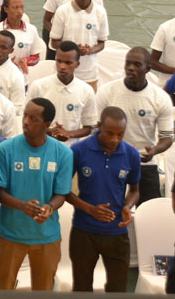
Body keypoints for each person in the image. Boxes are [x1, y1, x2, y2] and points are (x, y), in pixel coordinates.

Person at [0, 98, 73, 290]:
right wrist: (22, 206)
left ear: (46, 125)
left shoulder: (63, 153)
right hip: (10, 234)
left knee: (43, 290)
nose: (25, 121)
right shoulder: (5, 149)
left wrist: (49, 207)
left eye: (33, 118)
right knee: (3, 288)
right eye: (25, 115)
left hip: (47, 236)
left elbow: (61, 194)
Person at [65, 106, 140, 292]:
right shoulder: (79, 150)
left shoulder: (132, 154)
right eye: (110, 134)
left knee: (118, 290)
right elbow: (64, 191)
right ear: (99, 126)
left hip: (117, 233)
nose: (115, 139)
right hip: (84, 232)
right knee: (82, 288)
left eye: (120, 134)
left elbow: (135, 190)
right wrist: (89, 209)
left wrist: (127, 206)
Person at [95, 47, 172, 205]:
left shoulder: (160, 97)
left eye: (137, 64)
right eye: (128, 63)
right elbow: (95, 129)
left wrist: (154, 151)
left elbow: (166, 137)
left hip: (145, 162)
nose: (130, 68)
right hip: (111, 160)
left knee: (151, 211)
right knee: (106, 211)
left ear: (148, 69)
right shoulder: (107, 92)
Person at [28, 41, 96, 146]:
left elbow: (88, 128)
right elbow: (27, 121)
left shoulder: (86, 90)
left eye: (68, 63)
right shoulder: (38, 86)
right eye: (59, 61)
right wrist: (48, 131)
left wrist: (69, 134)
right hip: (40, 148)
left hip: (70, 150)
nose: (62, 66)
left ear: (77, 64)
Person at [49, 0, 108, 90]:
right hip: (63, 73)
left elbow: (102, 43)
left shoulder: (100, 12)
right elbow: (54, 42)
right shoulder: (62, 11)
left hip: (89, 73)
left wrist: (90, 50)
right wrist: (74, 50)